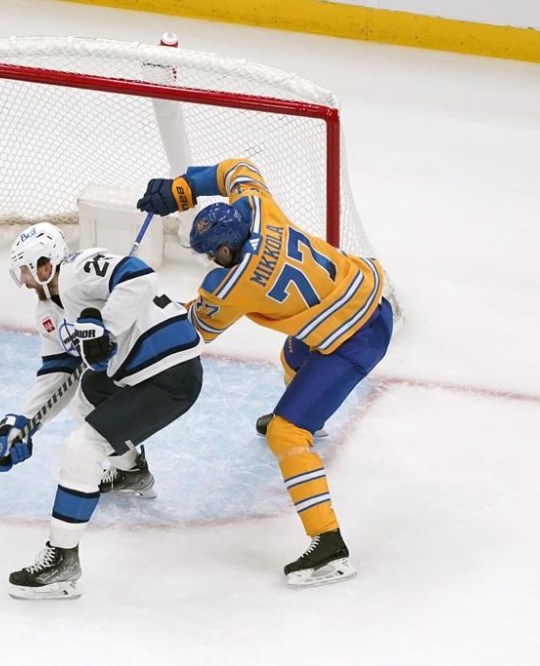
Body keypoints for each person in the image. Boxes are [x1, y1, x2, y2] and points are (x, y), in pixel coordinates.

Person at [137, 158, 394, 588]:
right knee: (294, 357)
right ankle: (315, 414)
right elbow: (237, 168)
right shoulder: (257, 206)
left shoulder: (229, 286)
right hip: (369, 296)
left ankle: (329, 545)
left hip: (354, 339)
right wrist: (185, 189)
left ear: (224, 250)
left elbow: (195, 330)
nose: (207, 263)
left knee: (286, 433)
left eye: (208, 255)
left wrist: (144, 315)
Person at [0, 222, 203, 599]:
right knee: (87, 392)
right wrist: (27, 422)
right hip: (135, 371)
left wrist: (106, 329)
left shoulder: (79, 269)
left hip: (170, 372)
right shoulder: (47, 312)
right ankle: (132, 471)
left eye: (27, 270)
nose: (24, 280)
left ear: (46, 265)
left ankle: (62, 561)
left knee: (82, 449)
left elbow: (140, 276)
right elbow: (57, 373)